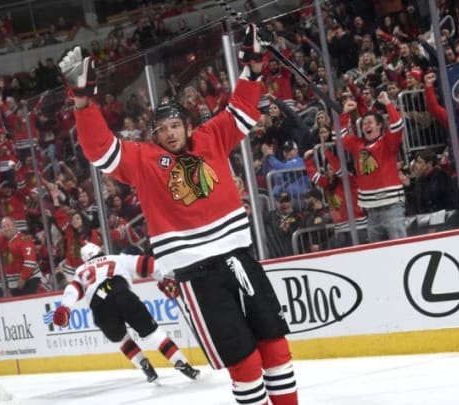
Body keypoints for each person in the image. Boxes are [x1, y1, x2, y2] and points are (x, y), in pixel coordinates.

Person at [60, 23, 298, 405]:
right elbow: (99, 149)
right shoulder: (144, 160)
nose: (169, 133)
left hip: (240, 260)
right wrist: (83, 102)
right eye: (161, 128)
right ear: (153, 135)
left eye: (175, 125)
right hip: (198, 276)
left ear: (188, 125)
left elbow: (244, 107)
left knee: (275, 348)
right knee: (246, 363)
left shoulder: (211, 137)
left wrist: (254, 66)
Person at [51, 242, 199, 383]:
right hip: (121, 293)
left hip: (100, 307)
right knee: (152, 333)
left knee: (121, 339)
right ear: (100, 251)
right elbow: (150, 264)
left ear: (84, 260)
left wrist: (65, 307)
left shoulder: (80, 271)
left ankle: (144, 365)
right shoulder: (117, 258)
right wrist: (163, 280)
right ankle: (182, 364)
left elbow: (73, 289)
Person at [339, 91, 408, 242]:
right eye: (364, 124)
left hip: (392, 207)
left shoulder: (388, 142)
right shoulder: (358, 145)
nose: (366, 126)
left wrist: (387, 103)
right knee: (378, 256)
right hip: (371, 211)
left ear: (380, 126)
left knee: (401, 250)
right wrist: (345, 114)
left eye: (370, 122)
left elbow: (397, 125)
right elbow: (339, 137)